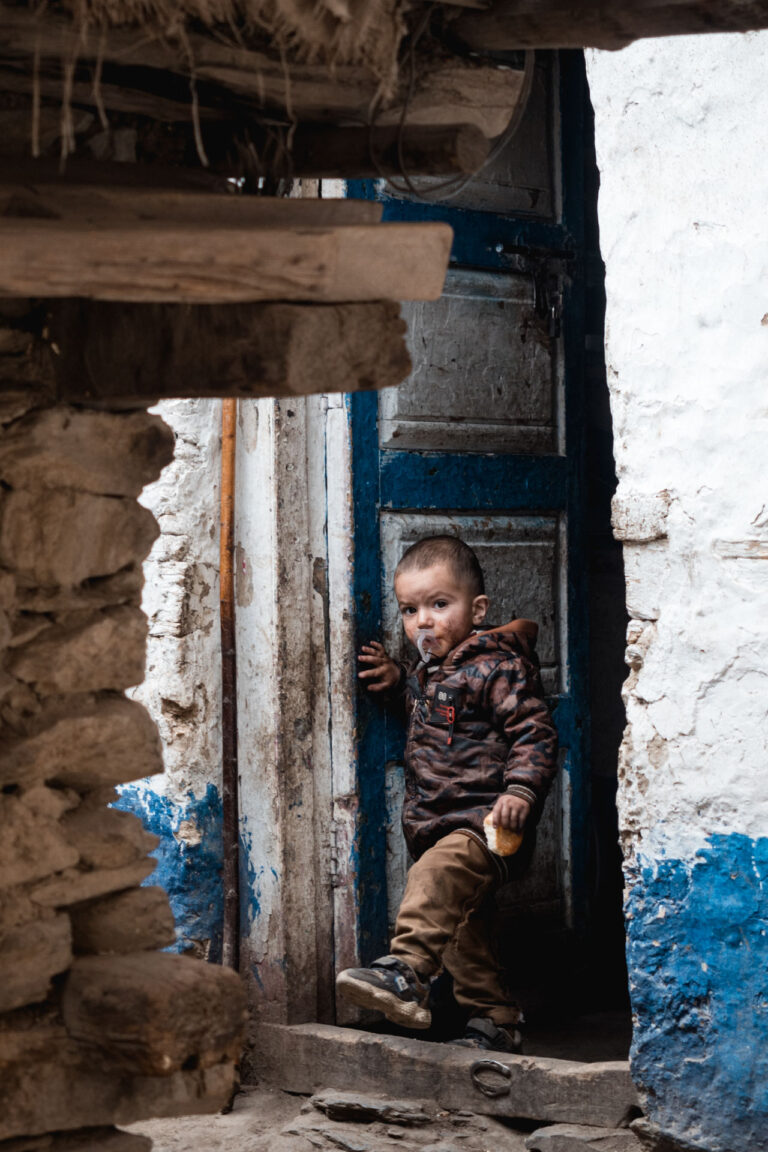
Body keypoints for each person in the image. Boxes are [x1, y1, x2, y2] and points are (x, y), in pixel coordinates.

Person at [335, 534, 558, 1053]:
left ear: (477, 610)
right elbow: (428, 710)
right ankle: (496, 1021)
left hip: (488, 824)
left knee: (433, 881)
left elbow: (535, 731)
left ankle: (407, 970)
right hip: (437, 823)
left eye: (439, 604)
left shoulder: (498, 666)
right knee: (462, 929)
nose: (423, 622)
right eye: (410, 611)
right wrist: (397, 683)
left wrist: (521, 789)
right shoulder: (433, 672)